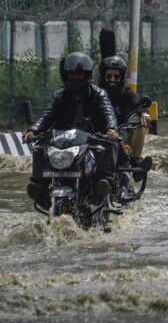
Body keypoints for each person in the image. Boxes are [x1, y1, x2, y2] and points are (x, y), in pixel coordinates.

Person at [23, 52, 119, 209]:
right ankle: (39, 186)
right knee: (39, 146)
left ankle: (103, 183)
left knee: (109, 145)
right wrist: (33, 130)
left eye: (80, 74)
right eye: (72, 74)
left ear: (88, 75)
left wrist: (111, 130)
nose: (76, 78)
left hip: (91, 139)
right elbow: (47, 116)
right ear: (65, 75)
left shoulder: (99, 94)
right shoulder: (59, 95)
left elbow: (108, 113)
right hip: (62, 141)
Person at [98, 56, 152, 183]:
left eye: (116, 77)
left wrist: (144, 114)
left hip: (121, 135)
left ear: (122, 77)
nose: (112, 80)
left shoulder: (127, 94)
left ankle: (136, 162)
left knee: (138, 119)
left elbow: (138, 106)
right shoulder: (96, 94)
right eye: (109, 76)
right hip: (99, 136)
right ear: (103, 77)